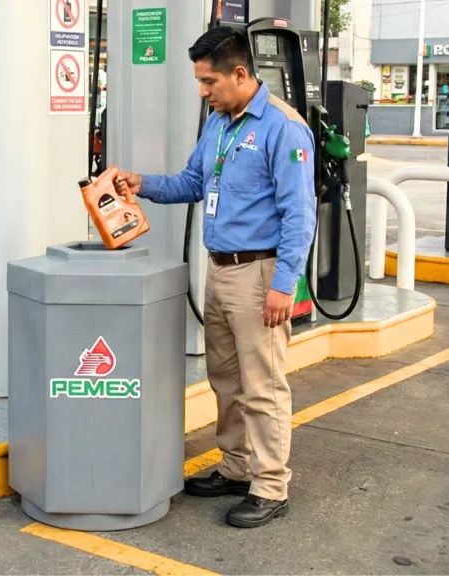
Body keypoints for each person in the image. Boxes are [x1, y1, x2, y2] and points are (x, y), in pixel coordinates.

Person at [114, 26, 316, 528]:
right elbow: (193, 182)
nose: (203, 92)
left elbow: (300, 215)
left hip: (260, 273)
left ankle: (270, 486)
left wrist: (283, 284)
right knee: (225, 378)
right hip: (220, 269)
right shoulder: (219, 124)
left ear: (240, 73)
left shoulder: (282, 127)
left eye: (209, 82)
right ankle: (235, 466)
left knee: (263, 384)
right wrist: (145, 184)